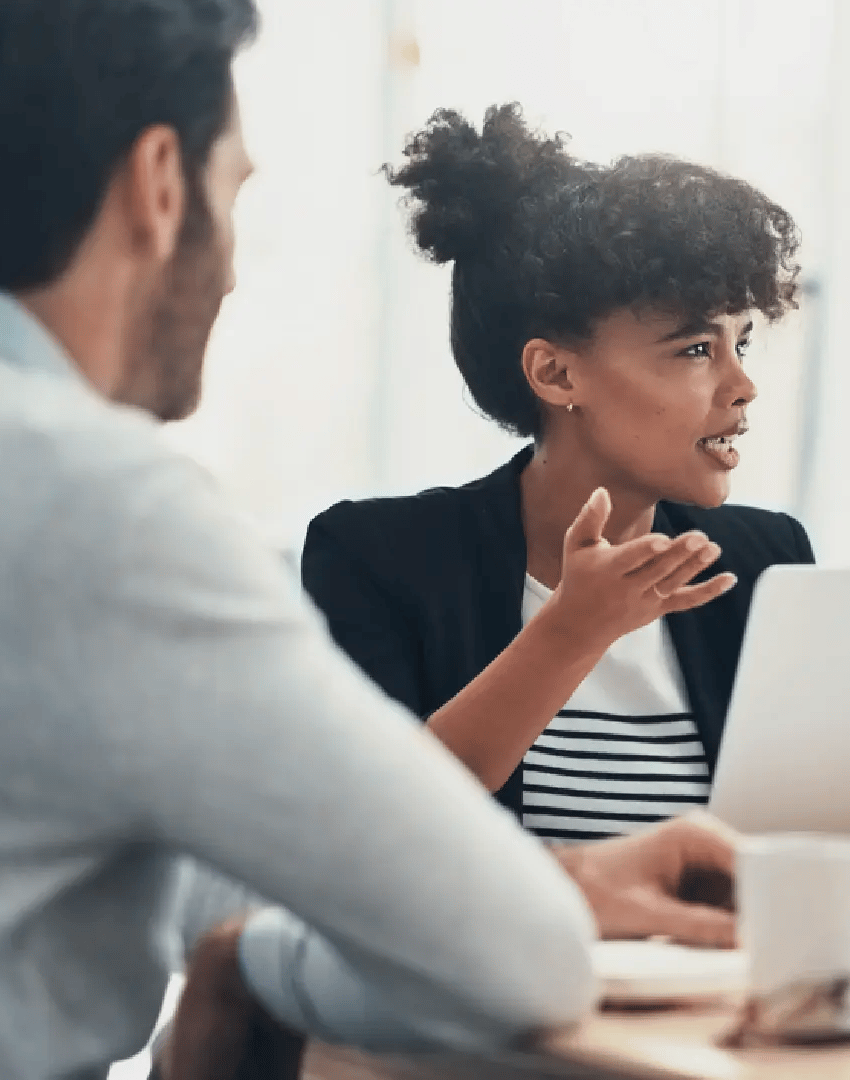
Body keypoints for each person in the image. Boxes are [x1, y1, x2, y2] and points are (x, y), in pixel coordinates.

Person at [0, 2, 737, 1077]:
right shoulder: (104, 510)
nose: (232, 269)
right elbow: (524, 960)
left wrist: (543, 888)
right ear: (157, 186)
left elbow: (213, 895)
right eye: (236, 194)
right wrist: (544, 898)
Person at [301, 105, 812, 843]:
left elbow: (806, 835)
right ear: (555, 372)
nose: (743, 385)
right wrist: (570, 631)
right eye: (697, 350)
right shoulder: (375, 559)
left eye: (744, 343)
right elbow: (371, 838)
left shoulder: (768, 560)